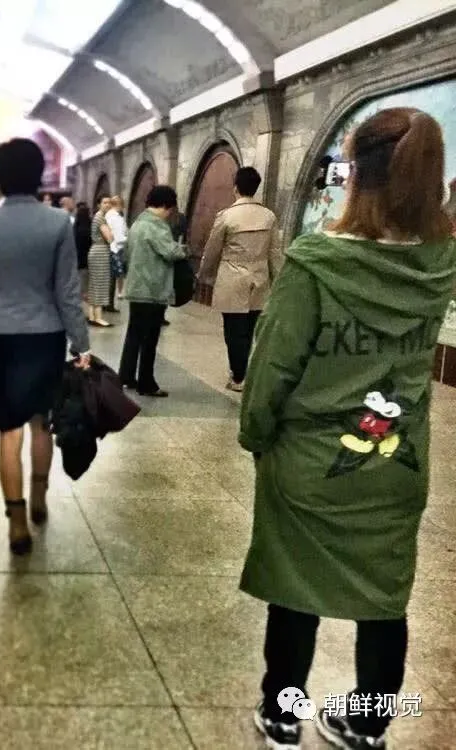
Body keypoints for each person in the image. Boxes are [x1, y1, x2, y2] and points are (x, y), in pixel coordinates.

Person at [240, 108, 456, 750]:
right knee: (384, 600)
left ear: (355, 174)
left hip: (311, 463)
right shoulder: (440, 263)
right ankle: (366, 723)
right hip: (396, 463)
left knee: (294, 590)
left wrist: (256, 435)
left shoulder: (316, 264)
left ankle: (283, 715)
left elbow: (273, 368)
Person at [0, 138, 91, 556]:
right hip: (46, 335)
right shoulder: (58, 223)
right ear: (39, 175)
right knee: (42, 423)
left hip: (1, 335)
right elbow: (67, 291)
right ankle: (39, 498)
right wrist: (81, 343)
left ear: (0, 176)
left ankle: (16, 522)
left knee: (8, 430)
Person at [198, 166, 280, 392]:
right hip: (259, 280)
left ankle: (238, 376)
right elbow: (275, 253)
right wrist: (278, 281)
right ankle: (242, 373)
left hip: (232, 280)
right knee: (249, 329)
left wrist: (204, 274)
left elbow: (212, 250)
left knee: (233, 331)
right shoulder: (269, 216)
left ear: (236, 188)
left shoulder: (226, 216)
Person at [119, 185, 187, 397]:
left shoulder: (137, 223)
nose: (170, 214)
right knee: (149, 339)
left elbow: (126, 255)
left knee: (134, 334)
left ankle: (126, 375)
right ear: (166, 206)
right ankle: (146, 383)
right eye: (170, 209)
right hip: (152, 290)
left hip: (136, 288)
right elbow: (170, 251)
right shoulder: (156, 226)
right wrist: (183, 249)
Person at [87, 195, 114, 327]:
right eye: (104, 202)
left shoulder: (98, 216)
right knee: (101, 283)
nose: (107, 205)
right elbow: (109, 238)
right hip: (100, 252)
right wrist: (112, 233)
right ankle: (98, 317)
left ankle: (92, 315)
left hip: (96, 250)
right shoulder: (100, 218)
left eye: (109, 202)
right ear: (99, 204)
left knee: (94, 284)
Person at [105, 195, 128, 312]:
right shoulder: (116, 218)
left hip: (109, 249)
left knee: (109, 278)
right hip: (116, 249)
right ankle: (109, 304)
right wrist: (130, 238)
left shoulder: (108, 215)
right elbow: (119, 238)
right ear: (120, 205)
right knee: (113, 278)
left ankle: (106, 303)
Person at [73, 201, 93, 319]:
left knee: (79, 289)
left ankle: (80, 311)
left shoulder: (75, 229)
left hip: (77, 262)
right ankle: (88, 312)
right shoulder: (90, 230)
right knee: (86, 289)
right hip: (88, 262)